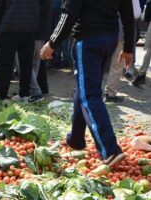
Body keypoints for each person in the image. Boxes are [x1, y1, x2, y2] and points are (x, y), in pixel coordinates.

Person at [41, 0, 135, 166]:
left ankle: (110, 149)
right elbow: (128, 13)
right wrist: (128, 47)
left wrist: (52, 42)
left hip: (89, 40)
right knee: (84, 88)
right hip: (109, 38)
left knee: (90, 95)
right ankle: (76, 139)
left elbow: (69, 12)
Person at [0, 0, 40, 101]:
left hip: (10, 26)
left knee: (5, 63)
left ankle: (1, 95)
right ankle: (24, 94)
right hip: (29, 26)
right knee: (26, 63)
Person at [29, 0, 52, 101]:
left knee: (27, 64)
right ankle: (35, 91)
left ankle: (35, 92)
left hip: (34, 32)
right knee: (35, 65)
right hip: (42, 32)